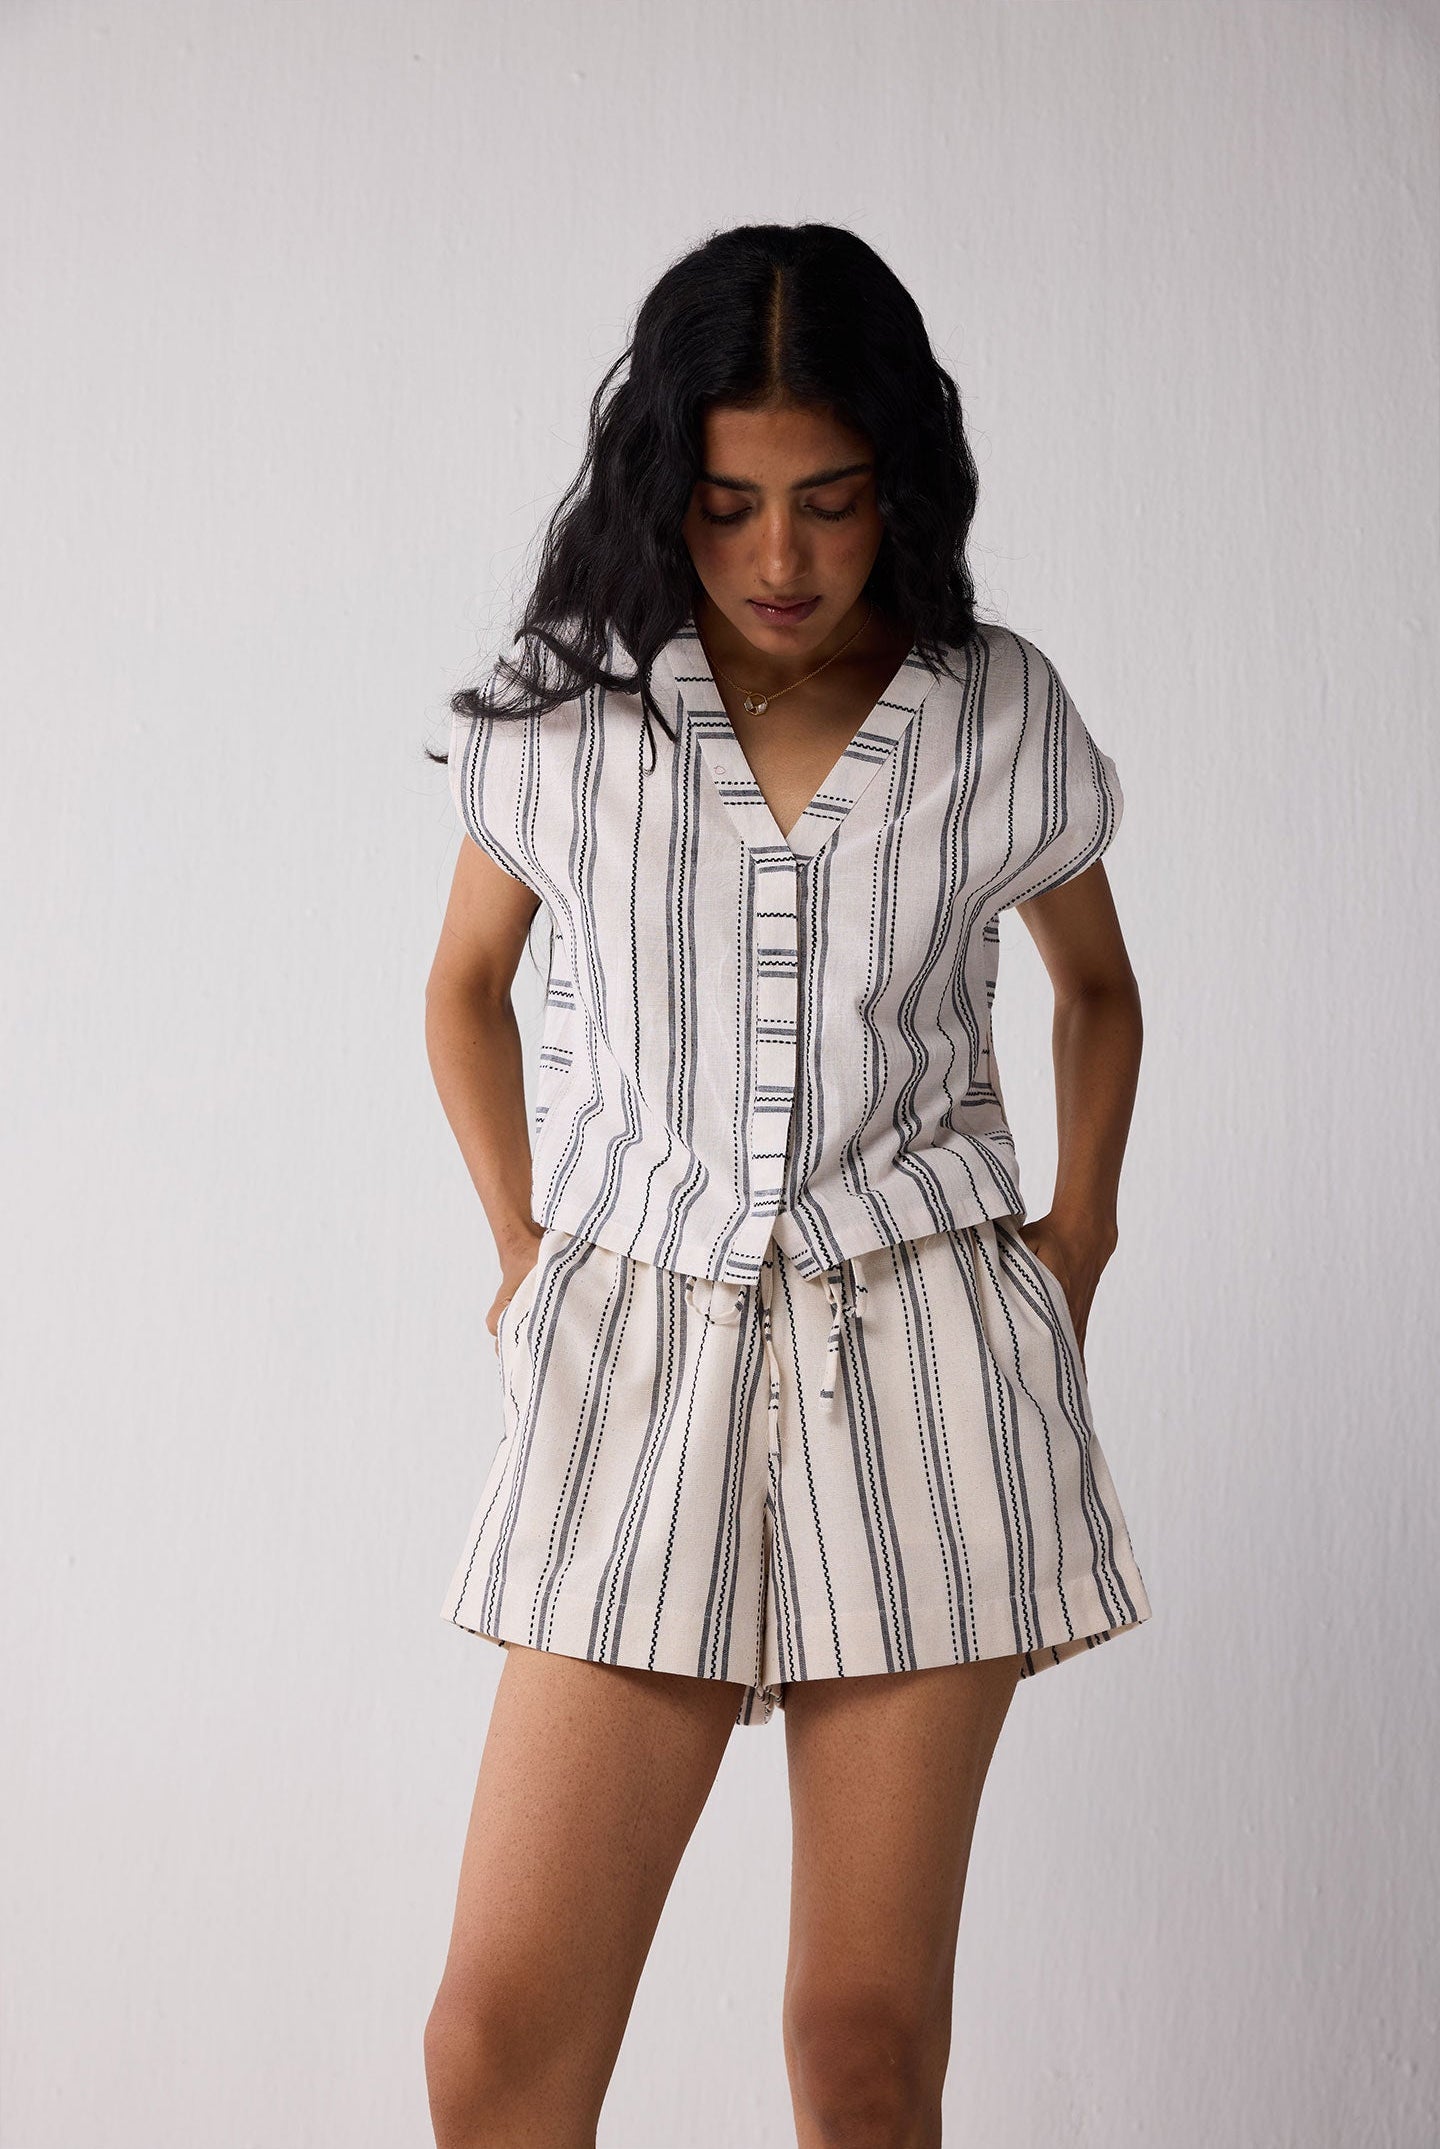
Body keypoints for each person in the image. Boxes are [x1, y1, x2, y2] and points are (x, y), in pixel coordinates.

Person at [422, 221, 1152, 2149]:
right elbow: (464, 991)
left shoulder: (996, 714)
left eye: (828, 503)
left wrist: (1072, 1244)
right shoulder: (567, 718)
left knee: (857, 2041)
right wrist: (520, 1250)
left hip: (925, 1360)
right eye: (732, 503)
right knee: (492, 2041)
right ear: (668, 486)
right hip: (637, 1359)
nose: (779, 558)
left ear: (895, 481)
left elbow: (1098, 993)